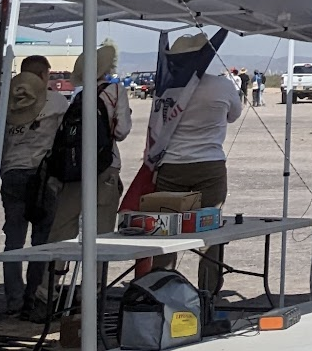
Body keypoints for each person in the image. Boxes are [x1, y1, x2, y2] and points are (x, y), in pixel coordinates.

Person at [149, 32, 242, 293]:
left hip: (172, 165)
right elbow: (234, 115)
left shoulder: (167, 88)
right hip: (209, 164)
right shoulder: (222, 86)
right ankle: (208, 293)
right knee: (210, 233)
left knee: (166, 231)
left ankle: (160, 288)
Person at [46, 41, 132, 244]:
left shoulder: (79, 96)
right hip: (105, 165)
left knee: (64, 228)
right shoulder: (116, 91)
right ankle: (97, 276)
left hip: (75, 167)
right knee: (102, 232)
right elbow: (121, 131)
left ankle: (55, 274)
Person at [2, 56, 67, 316]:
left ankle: (13, 299)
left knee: (13, 240)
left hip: (11, 172)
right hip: (41, 175)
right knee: (42, 240)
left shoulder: (7, 101)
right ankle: (33, 298)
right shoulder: (56, 102)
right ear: (43, 75)